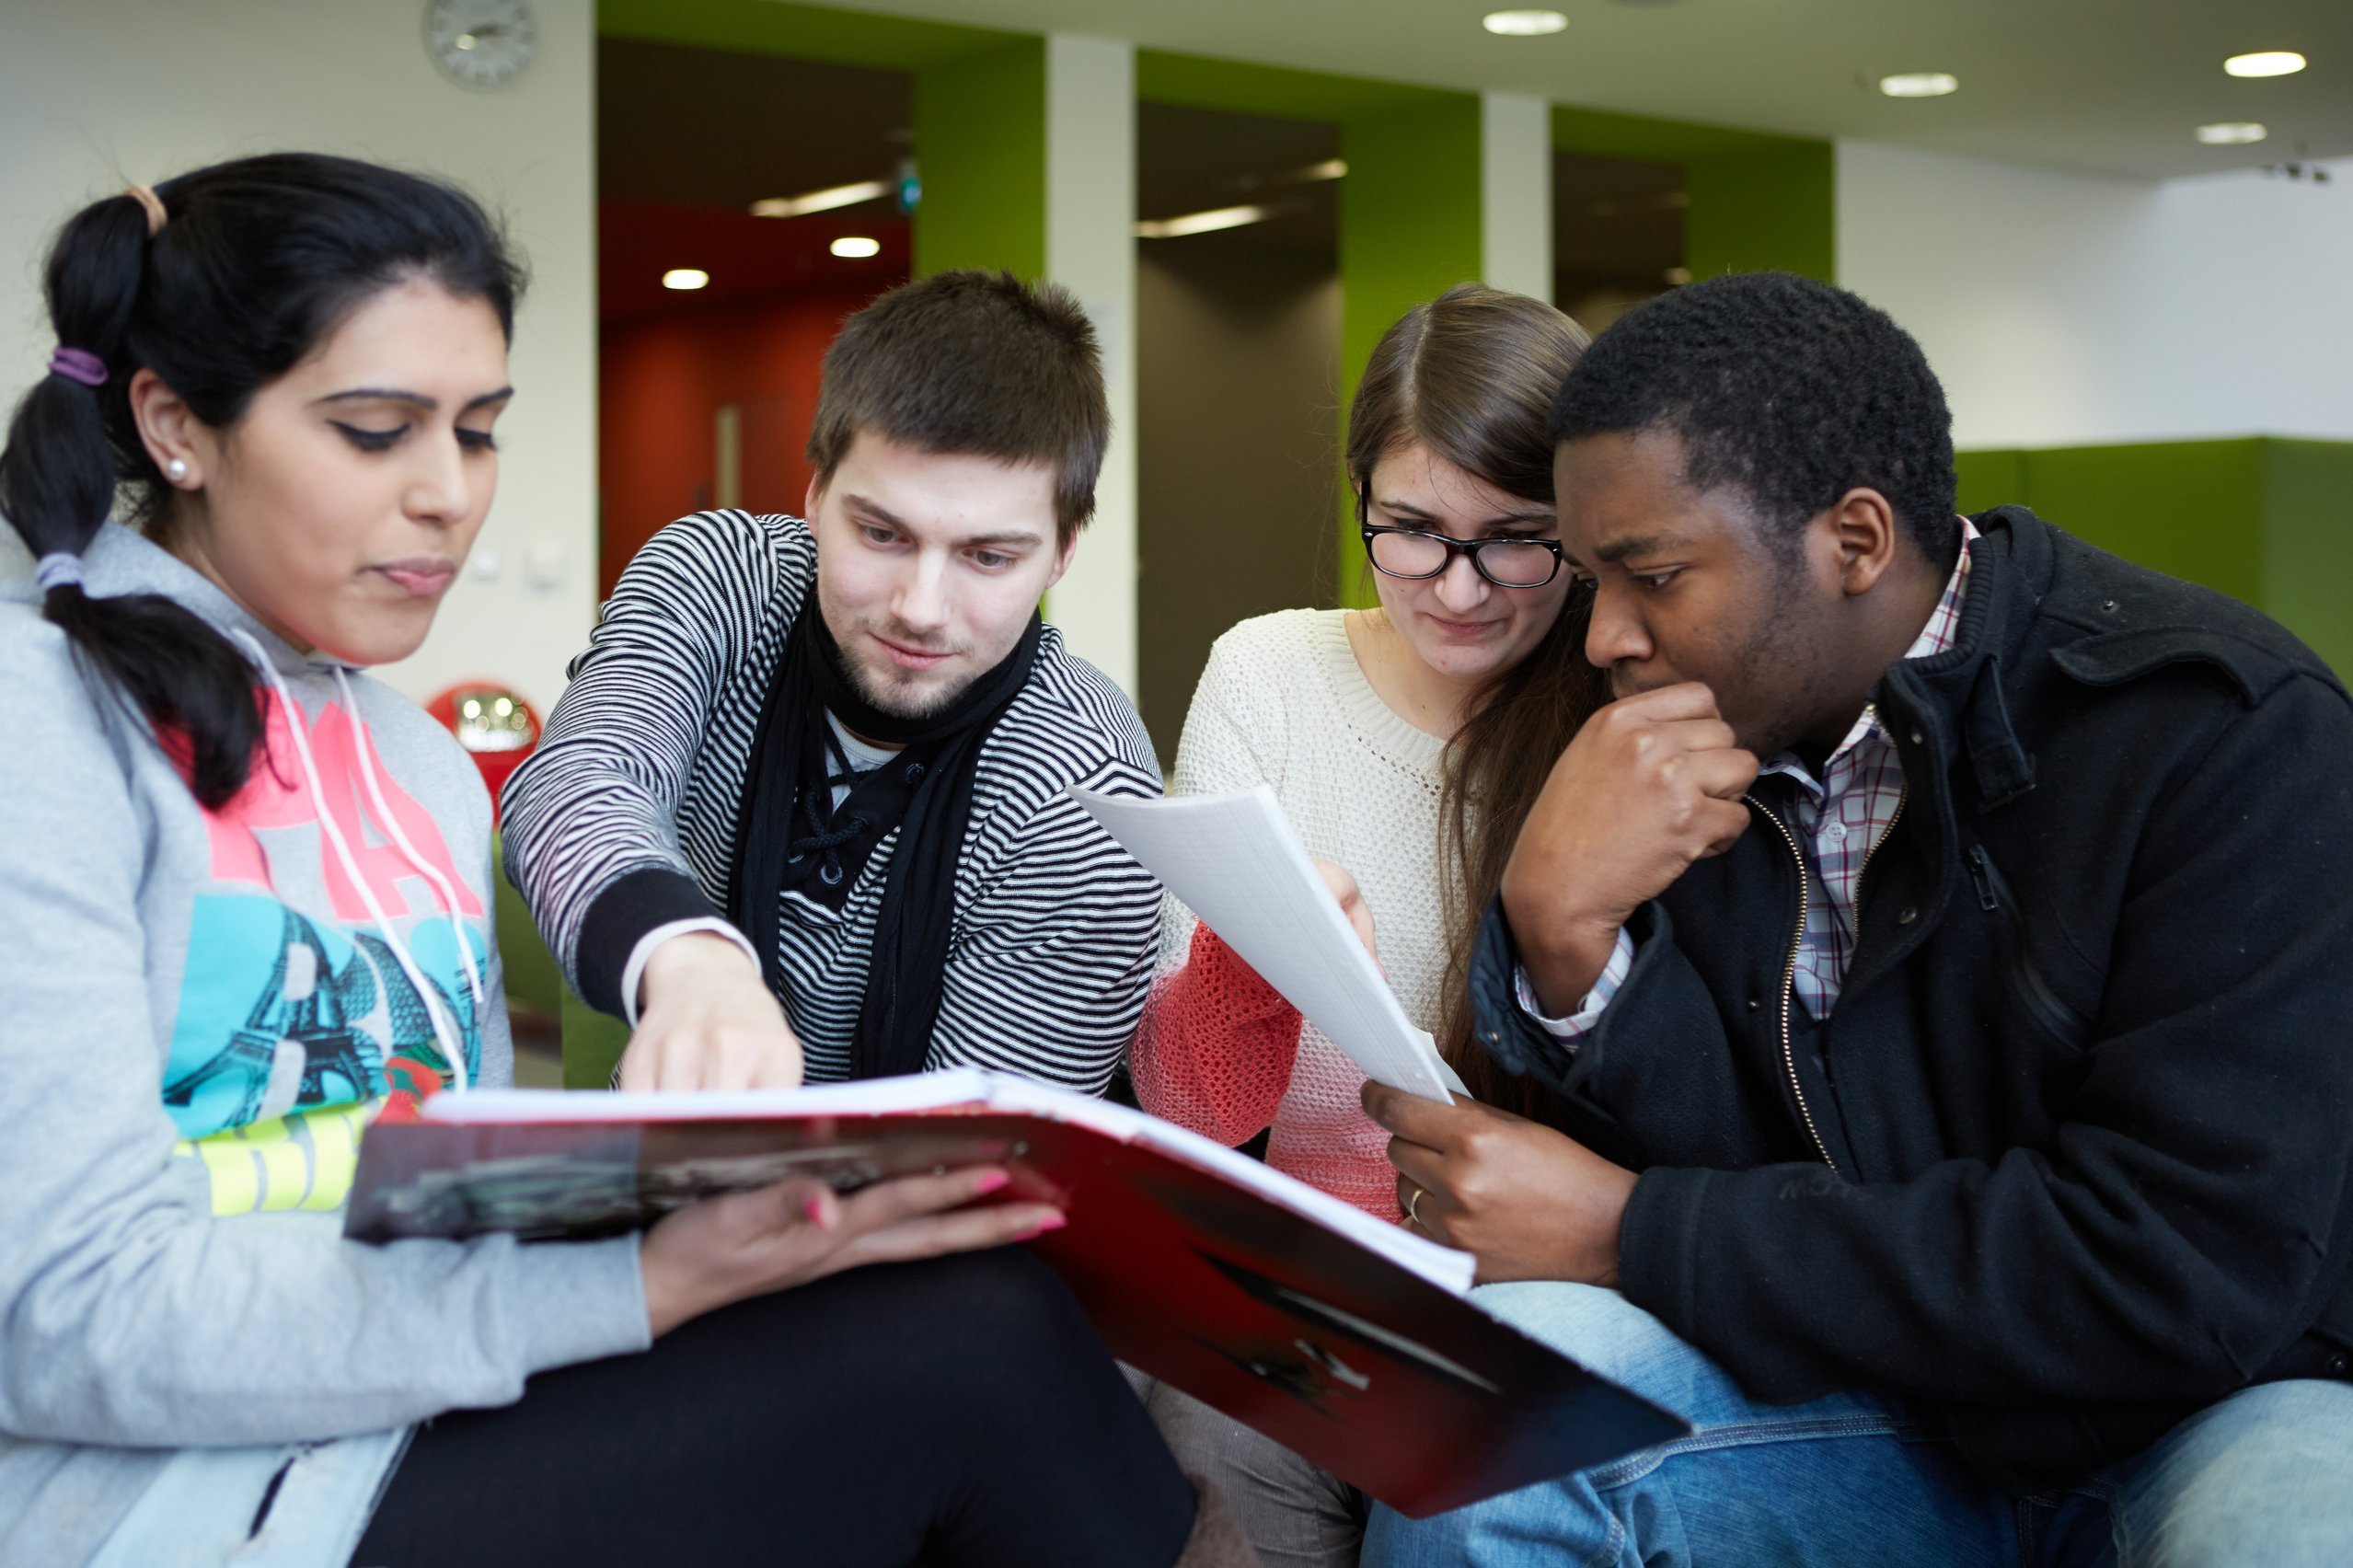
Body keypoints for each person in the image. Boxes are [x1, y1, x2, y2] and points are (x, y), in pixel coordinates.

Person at [0, 155, 1256, 1568]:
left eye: (476, 434)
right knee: (977, 1367)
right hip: (199, 1494)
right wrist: (685, 990)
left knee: (981, 1333)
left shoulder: (405, 759)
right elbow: (584, 787)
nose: (448, 499)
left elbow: (468, 1205)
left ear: (1063, 552)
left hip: (441, 1392)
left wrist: (652, 1275)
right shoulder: (43, 725)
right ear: (172, 425)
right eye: (373, 432)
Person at [1357, 271, 2353, 1566]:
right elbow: (1713, 1175)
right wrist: (1562, 931)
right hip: (1868, 1414)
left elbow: (2176, 1275)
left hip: (2207, 1414)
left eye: (1651, 575)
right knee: (1498, 1415)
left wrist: (1628, 1228)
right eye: (1594, 577)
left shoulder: (2223, 732)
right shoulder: (1687, 745)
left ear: (1856, 542)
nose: (1602, 636)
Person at [1131, 284, 1600, 1568]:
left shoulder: (1620, 710)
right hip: (1301, 1283)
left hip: (1526, 1288)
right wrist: (1253, 961)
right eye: (1410, 531)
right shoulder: (1269, 675)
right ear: (1360, 502)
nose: (1460, 588)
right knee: (1204, 1453)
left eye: (1516, 539)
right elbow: (1183, 1106)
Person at [501, 271, 1160, 1097]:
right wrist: (692, 962)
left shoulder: (1087, 789)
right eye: (880, 534)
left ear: (1062, 550)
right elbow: (576, 783)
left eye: (988, 556)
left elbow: (976, 1164)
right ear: (814, 493)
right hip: (658, 1173)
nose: (920, 609)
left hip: (900, 1211)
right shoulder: (723, 582)